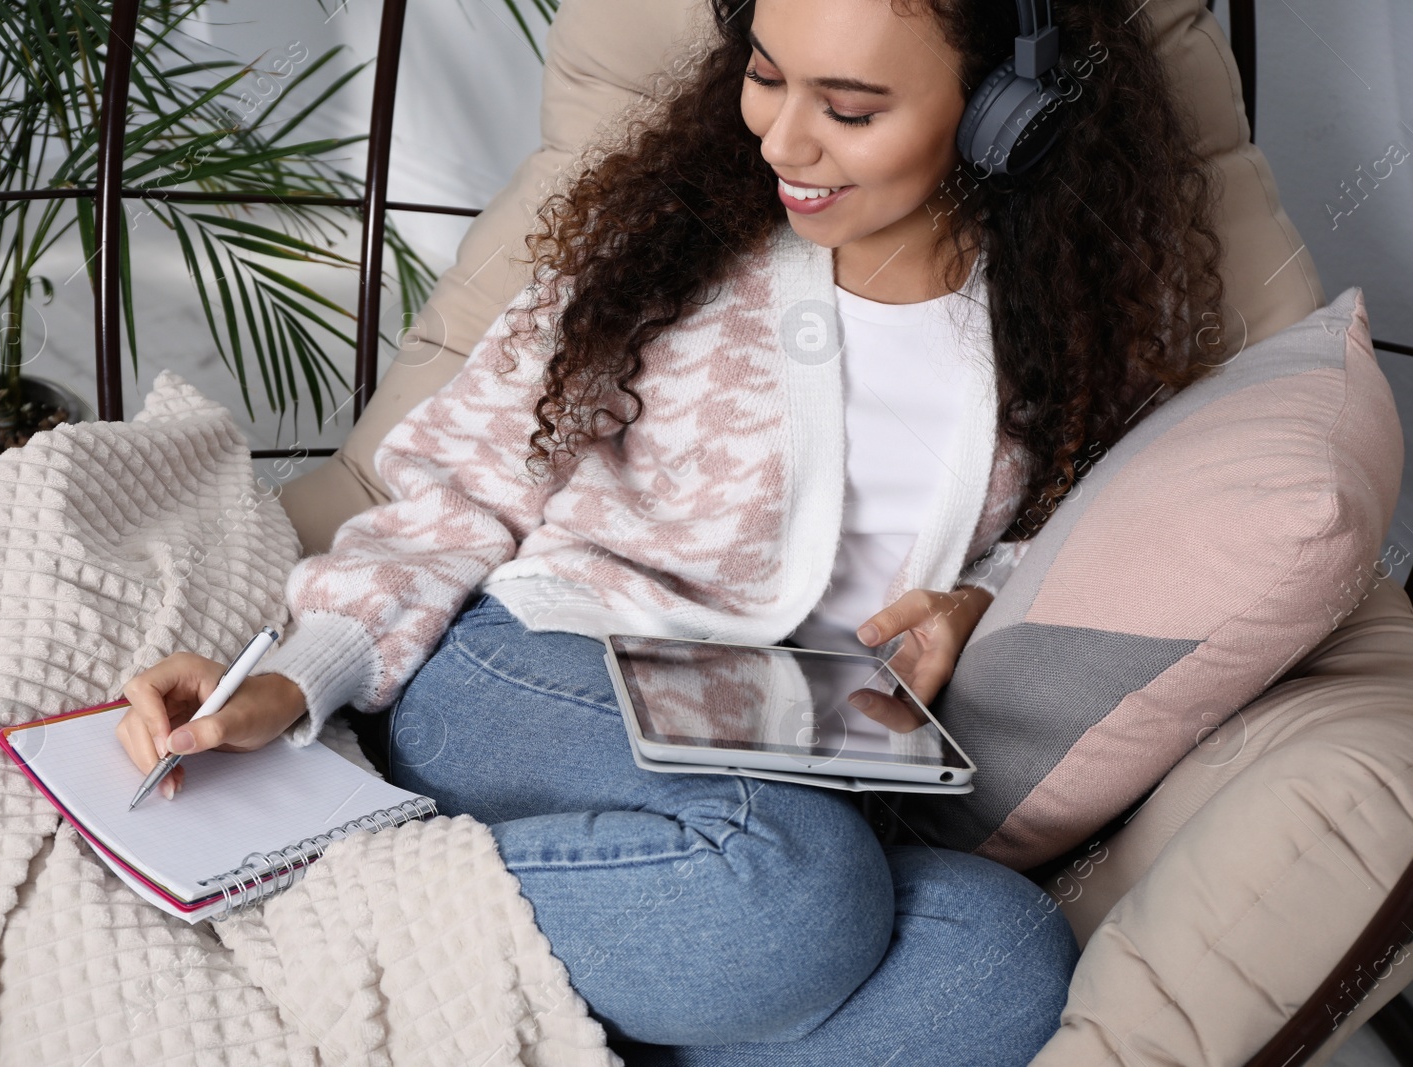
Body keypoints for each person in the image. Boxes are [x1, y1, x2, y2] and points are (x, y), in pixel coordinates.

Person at [116, 0, 1226, 1061]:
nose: (782, 140)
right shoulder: (670, 245)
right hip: (538, 670)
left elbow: (1059, 530)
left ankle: (601, 996)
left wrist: (974, 597)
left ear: (1000, 109)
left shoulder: (1068, 313)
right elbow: (461, 487)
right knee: (795, 883)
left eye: (847, 109)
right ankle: (325, 893)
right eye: (763, 75)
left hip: (785, 749)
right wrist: (305, 674)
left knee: (1001, 963)